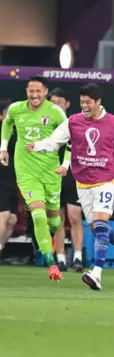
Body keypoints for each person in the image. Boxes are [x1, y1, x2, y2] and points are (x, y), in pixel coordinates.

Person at [27, 83, 114, 291]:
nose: (85, 106)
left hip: (107, 179)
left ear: (99, 102)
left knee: (99, 225)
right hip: (83, 182)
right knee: (96, 228)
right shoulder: (73, 122)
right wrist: (36, 146)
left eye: (88, 103)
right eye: (82, 103)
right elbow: (54, 142)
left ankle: (96, 273)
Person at [0, 76, 69, 281]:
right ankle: (51, 264)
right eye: (31, 91)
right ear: (26, 91)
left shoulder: (56, 113)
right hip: (26, 171)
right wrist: (3, 148)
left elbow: (70, 140)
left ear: (45, 92)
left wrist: (65, 165)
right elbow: (7, 124)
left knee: (54, 221)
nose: (35, 95)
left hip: (51, 172)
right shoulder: (15, 109)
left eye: (38, 91)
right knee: (38, 215)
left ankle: (52, 238)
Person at [48, 87, 84, 273]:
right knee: (57, 219)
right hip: (52, 174)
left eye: (60, 102)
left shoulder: (75, 123)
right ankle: (60, 259)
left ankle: (78, 257)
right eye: (53, 102)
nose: (56, 106)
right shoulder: (44, 123)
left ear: (68, 104)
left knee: (75, 216)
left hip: (72, 173)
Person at [0, 99, 17, 255]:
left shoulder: (18, 132)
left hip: (13, 181)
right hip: (1, 181)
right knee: (4, 215)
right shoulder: (2, 133)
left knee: (12, 220)